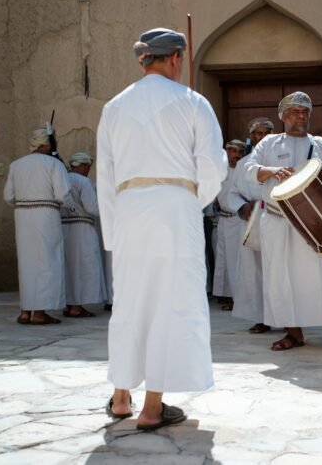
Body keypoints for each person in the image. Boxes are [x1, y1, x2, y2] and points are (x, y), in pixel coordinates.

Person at [97, 27, 227, 430]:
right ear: (175, 58)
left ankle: (121, 397)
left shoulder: (114, 107)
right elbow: (212, 166)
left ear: (144, 60)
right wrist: (191, 201)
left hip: (129, 209)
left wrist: (113, 233)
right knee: (171, 302)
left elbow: (105, 175)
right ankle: (153, 407)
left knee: (130, 302)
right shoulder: (193, 102)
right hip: (175, 208)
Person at [243, 91, 322, 355]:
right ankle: (293, 334)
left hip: (319, 224)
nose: (301, 116)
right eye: (295, 111)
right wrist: (270, 171)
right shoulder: (269, 144)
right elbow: (246, 169)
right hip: (279, 221)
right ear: (283, 117)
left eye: (305, 112)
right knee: (283, 278)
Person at [4, 126, 71, 325]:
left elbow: (8, 196)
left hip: (22, 216)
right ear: (46, 144)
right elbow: (63, 194)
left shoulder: (16, 165)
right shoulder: (54, 164)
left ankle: (26, 311)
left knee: (27, 263)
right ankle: (40, 313)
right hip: (46, 214)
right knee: (46, 262)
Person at [227, 117, 275, 333]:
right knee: (253, 271)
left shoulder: (281, 160)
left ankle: (285, 319)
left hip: (277, 220)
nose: (261, 137)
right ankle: (260, 318)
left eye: (266, 133)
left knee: (278, 271)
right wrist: (243, 206)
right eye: (258, 133)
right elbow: (232, 193)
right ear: (252, 136)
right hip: (251, 221)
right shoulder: (244, 163)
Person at [61, 152, 108, 318]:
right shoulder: (84, 181)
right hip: (82, 229)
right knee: (83, 267)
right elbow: (92, 207)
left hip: (63, 227)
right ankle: (76, 307)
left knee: (68, 267)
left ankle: (69, 304)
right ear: (85, 165)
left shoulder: (62, 178)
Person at [212, 139, 247, 311]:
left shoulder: (243, 172)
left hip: (237, 219)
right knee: (223, 257)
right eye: (231, 151)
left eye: (238, 152)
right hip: (222, 219)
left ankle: (237, 298)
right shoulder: (220, 170)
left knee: (234, 260)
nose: (235, 155)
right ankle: (225, 294)